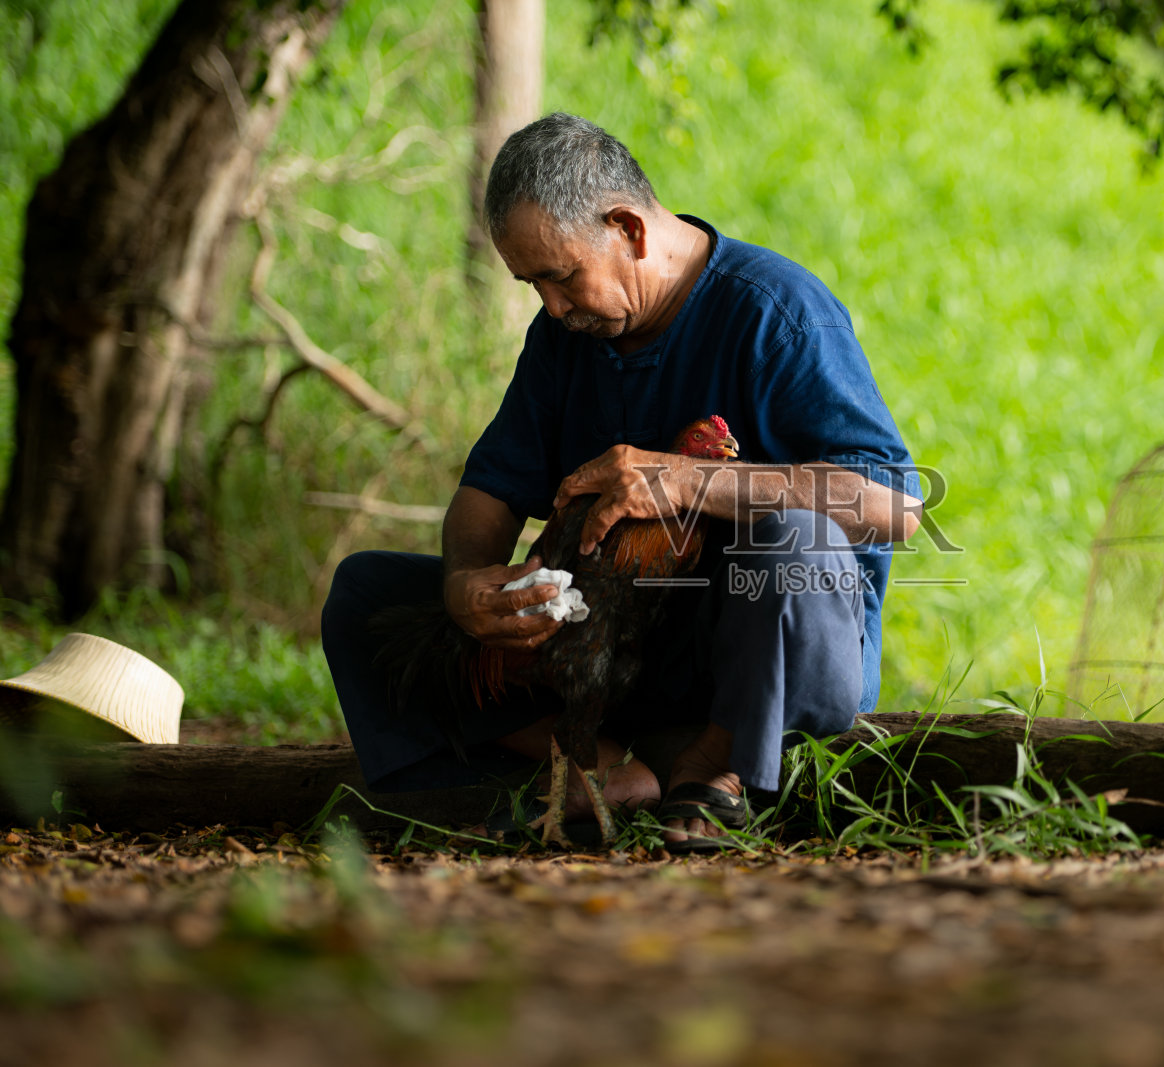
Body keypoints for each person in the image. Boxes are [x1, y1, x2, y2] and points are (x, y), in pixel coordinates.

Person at [321, 112, 921, 848]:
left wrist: (689, 482)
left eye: (560, 275)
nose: (551, 304)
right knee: (367, 592)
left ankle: (717, 760)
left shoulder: (778, 312)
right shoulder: (565, 335)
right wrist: (467, 583)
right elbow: (490, 488)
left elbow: (896, 505)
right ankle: (607, 766)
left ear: (628, 228)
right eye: (532, 284)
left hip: (758, 659)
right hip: (609, 658)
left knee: (794, 543)